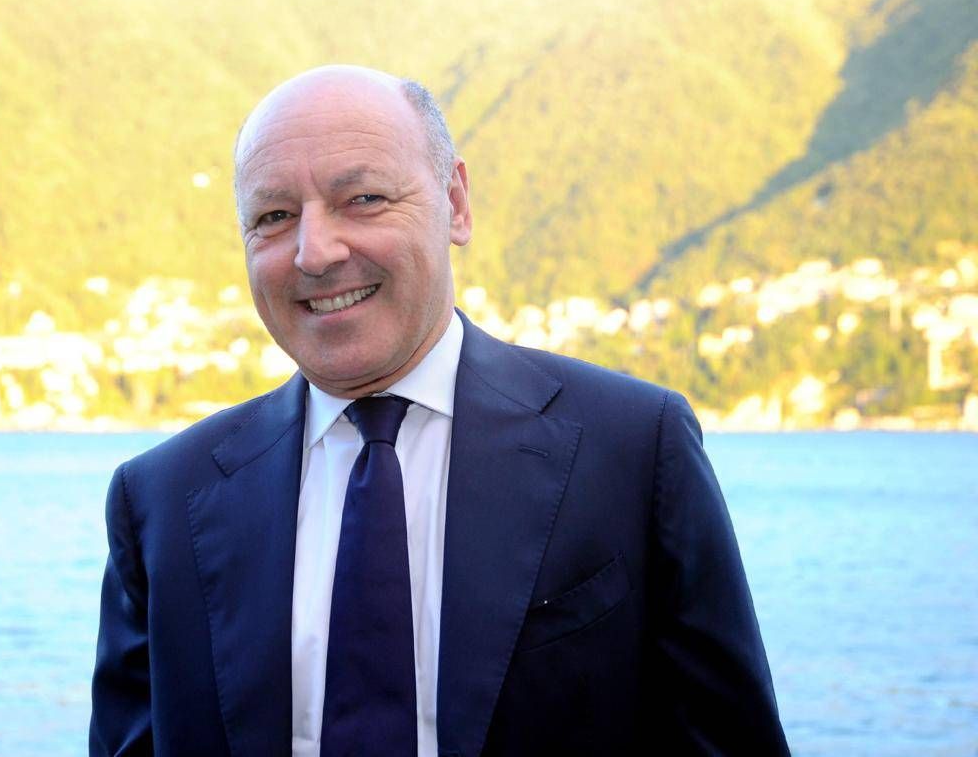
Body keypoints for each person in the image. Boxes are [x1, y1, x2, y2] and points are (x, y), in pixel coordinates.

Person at [90, 65, 790, 756]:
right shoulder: (160, 502)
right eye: (274, 217)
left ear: (455, 203)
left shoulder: (633, 449)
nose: (315, 251)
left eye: (363, 199)